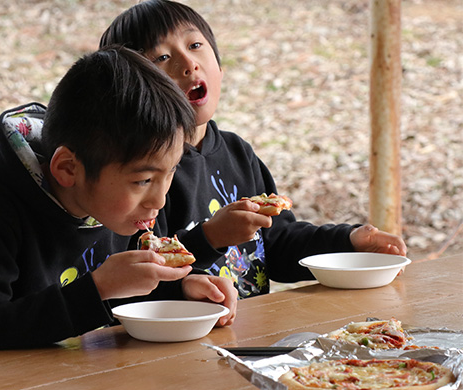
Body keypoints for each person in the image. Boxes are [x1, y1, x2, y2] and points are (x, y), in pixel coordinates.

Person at [0, 46, 237, 373]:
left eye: (170, 173)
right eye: (143, 181)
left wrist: (181, 291)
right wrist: (97, 288)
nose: (159, 200)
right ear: (67, 169)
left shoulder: (112, 206)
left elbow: (108, 298)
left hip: (46, 373)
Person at [100, 1, 407, 297]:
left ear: (219, 67)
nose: (189, 63)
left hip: (250, 335)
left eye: (194, 46)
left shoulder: (237, 153)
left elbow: (277, 243)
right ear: (134, 94)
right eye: (163, 58)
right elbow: (135, 284)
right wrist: (210, 238)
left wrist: (349, 240)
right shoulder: (140, 177)